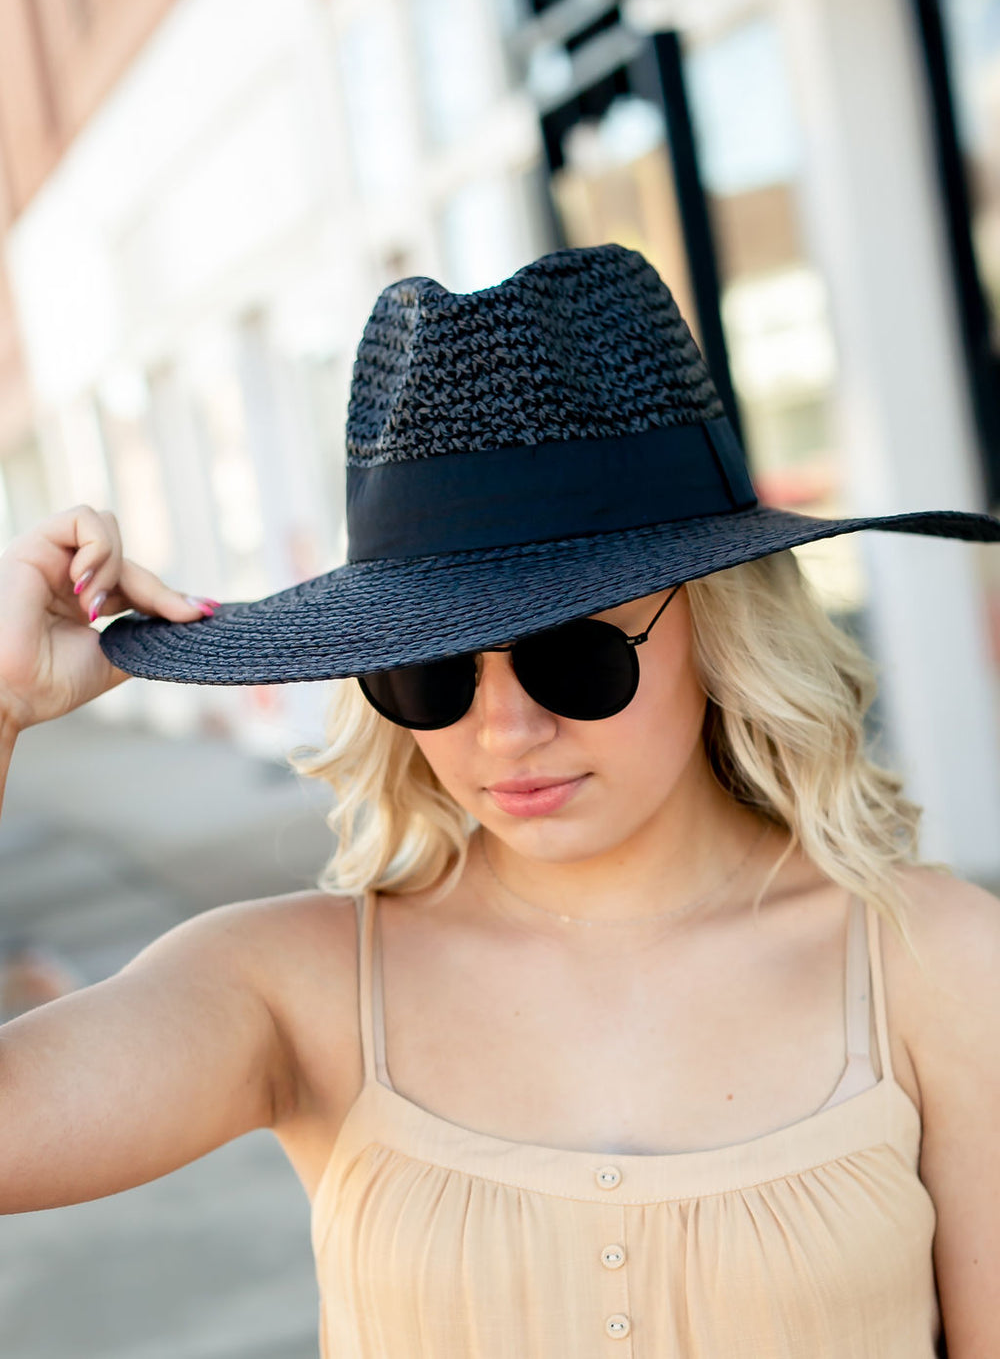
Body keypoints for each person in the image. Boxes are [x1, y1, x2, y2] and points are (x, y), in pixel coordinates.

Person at [0, 242, 998, 1357]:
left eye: (576, 657)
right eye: (431, 671)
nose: (507, 729)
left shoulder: (939, 965)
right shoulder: (294, 985)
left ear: (720, 628)